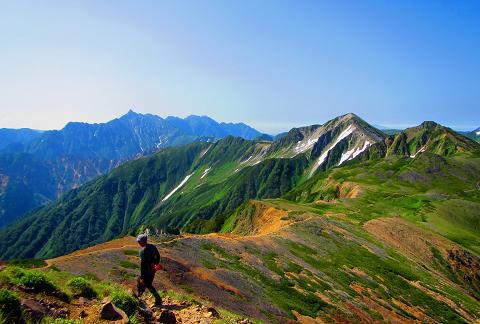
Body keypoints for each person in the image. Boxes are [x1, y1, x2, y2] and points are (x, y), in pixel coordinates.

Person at [136, 233, 162, 306]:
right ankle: (141, 297)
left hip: (147, 271)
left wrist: (142, 276)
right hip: (153, 270)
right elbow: (158, 256)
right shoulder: (152, 247)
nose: (138, 242)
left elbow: (143, 265)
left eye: (139, 241)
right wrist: (155, 263)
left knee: (144, 283)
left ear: (142, 241)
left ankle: (157, 299)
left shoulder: (142, 251)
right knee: (148, 284)